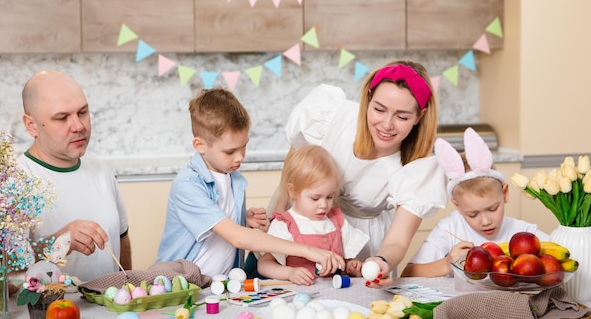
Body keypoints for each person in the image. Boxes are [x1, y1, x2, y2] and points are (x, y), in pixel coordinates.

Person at [276, 60, 448, 288]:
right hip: (301, 221)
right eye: (378, 109)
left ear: (419, 116)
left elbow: (397, 241)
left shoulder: (414, 168)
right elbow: (295, 163)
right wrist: (278, 215)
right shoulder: (333, 117)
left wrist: (382, 261)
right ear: (367, 99)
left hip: (361, 243)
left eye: (402, 117)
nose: (386, 124)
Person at [156, 88, 344, 278]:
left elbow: (219, 224)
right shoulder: (187, 185)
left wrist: (242, 218)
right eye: (230, 151)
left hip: (221, 284)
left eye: (244, 146)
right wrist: (307, 250)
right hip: (182, 285)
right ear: (200, 145)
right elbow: (236, 237)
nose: (240, 157)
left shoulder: (233, 177)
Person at [18, 69, 131, 282]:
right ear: (31, 125)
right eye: (62, 118)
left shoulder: (101, 170)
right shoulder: (14, 183)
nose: (78, 126)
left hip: (109, 310)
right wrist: (58, 244)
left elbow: (122, 240)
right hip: (48, 313)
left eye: (82, 112)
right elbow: (5, 280)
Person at [401, 127, 548, 278]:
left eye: (492, 209)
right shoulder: (449, 229)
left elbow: (567, 257)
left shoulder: (525, 233)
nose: (485, 221)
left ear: (504, 193)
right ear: (457, 205)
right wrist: (447, 263)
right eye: (472, 214)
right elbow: (407, 274)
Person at [258, 145, 369, 285]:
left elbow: (347, 260)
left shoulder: (337, 220)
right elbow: (264, 265)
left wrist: (351, 265)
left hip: (338, 296)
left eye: (329, 197)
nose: (323, 205)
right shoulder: (284, 225)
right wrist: (290, 273)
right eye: (315, 198)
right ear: (292, 191)